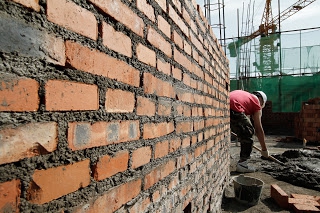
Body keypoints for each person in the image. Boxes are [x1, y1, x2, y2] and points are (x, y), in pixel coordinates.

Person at [230, 90, 269, 173]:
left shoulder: (245, 96)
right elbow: (258, 128)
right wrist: (264, 150)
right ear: (261, 100)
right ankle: (242, 164)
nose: (260, 107)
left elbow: (243, 124)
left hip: (221, 104)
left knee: (245, 130)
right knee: (249, 132)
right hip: (234, 107)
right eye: (262, 105)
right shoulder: (256, 102)